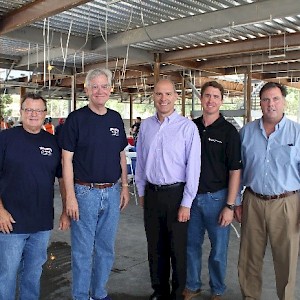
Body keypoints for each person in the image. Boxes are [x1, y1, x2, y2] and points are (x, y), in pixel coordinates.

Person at [61, 68, 130, 300]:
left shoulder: (115, 118)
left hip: (111, 192)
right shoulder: (76, 119)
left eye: (104, 86)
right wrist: (70, 196)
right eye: (95, 86)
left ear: (110, 89)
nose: (99, 91)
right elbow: (66, 160)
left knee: (105, 249)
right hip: (84, 193)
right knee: (82, 251)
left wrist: (124, 187)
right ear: (87, 90)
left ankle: (99, 293)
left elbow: (121, 155)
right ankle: (81, 296)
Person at [135, 79, 201, 300]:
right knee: (155, 248)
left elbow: (194, 167)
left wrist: (186, 203)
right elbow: (142, 161)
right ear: (153, 96)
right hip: (152, 194)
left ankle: (176, 293)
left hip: (177, 196)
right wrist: (141, 191)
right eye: (158, 94)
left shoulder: (187, 127)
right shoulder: (146, 126)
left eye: (168, 94)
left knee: (177, 249)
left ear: (176, 96)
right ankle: (159, 291)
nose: (163, 98)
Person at [0, 92, 70, 300]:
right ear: (21, 113)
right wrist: (0, 210)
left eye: (38, 110)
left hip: (41, 223)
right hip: (10, 222)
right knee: (7, 275)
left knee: (33, 274)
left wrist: (66, 210)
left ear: (45, 114)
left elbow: (62, 179)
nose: (33, 114)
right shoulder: (5, 139)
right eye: (28, 110)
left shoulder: (53, 143)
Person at [237, 81, 300, 300]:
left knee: (286, 259)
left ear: (284, 102)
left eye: (275, 99)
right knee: (250, 258)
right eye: (265, 99)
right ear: (260, 103)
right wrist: (236, 201)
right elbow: (237, 169)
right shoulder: (246, 133)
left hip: (287, 203)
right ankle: (250, 297)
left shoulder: (297, 133)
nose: (270, 104)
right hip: (253, 201)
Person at [183, 81, 242, 300]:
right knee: (191, 246)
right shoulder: (191, 127)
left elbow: (235, 170)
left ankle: (217, 289)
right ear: (201, 99)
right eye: (207, 95)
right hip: (191, 199)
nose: (210, 100)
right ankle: (192, 285)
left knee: (218, 250)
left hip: (217, 199)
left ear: (221, 101)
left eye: (215, 96)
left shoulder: (229, 132)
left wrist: (230, 205)